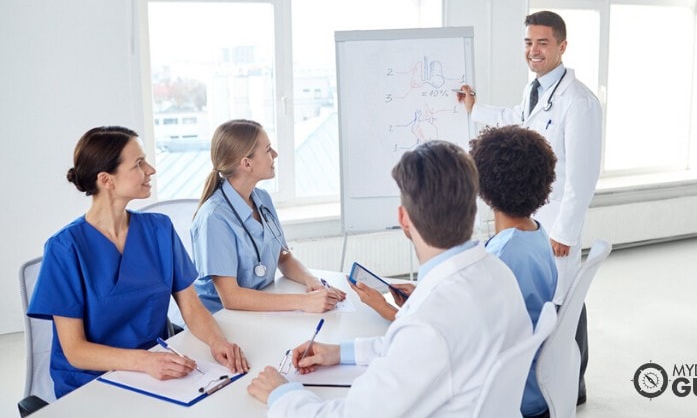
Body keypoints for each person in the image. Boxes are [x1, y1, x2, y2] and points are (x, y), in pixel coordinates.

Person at [247, 140, 532, 416]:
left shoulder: (430, 322)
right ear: (472, 208)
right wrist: (340, 352)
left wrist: (282, 394)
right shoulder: (497, 272)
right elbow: (407, 349)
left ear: (403, 217)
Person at [26, 126, 248, 399]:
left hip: (157, 370)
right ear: (106, 179)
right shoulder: (65, 248)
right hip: (92, 384)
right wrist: (144, 362)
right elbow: (75, 350)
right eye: (139, 163)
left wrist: (217, 341)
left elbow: (191, 307)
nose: (151, 170)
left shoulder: (159, 230)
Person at [457, 10, 602, 404]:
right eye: (528, 42)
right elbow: (516, 120)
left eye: (542, 42)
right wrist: (475, 109)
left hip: (555, 222)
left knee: (565, 301)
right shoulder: (534, 90)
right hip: (534, 212)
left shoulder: (579, 102)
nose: (533, 50)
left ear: (561, 46)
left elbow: (584, 176)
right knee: (554, 300)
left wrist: (565, 231)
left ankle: (574, 383)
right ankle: (559, 378)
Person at [191, 119, 345, 314]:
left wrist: (313, 282)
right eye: (268, 150)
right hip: (223, 318)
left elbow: (283, 256)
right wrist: (304, 302)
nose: (275, 155)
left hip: (261, 308)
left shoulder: (262, 199)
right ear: (246, 163)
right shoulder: (214, 218)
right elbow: (231, 297)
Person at [469, 125, 558, 418]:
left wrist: (388, 310)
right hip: (535, 386)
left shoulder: (503, 256)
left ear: (484, 186)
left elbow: (463, 336)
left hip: (510, 396)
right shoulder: (535, 234)